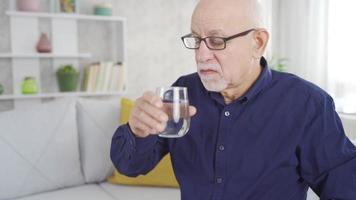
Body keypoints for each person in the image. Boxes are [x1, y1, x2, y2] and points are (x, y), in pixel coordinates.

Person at [110, 0, 356, 199]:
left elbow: (345, 188)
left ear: (257, 43)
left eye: (217, 41)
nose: (201, 54)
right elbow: (129, 166)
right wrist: (137, 130)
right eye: (196, 40)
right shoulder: (183, 91)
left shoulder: (307, 104)